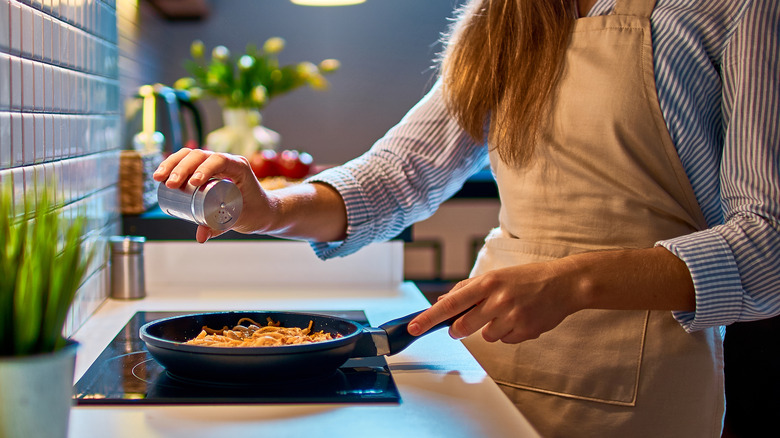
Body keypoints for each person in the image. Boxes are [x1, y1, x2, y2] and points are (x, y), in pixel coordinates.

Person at [153, 0, 779, 436]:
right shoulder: (501, 16)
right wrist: (268, 209)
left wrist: (570, 281)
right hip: (487, 366)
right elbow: (398, 176)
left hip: (636, 386)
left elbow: (769, 244)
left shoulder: (735, 7)